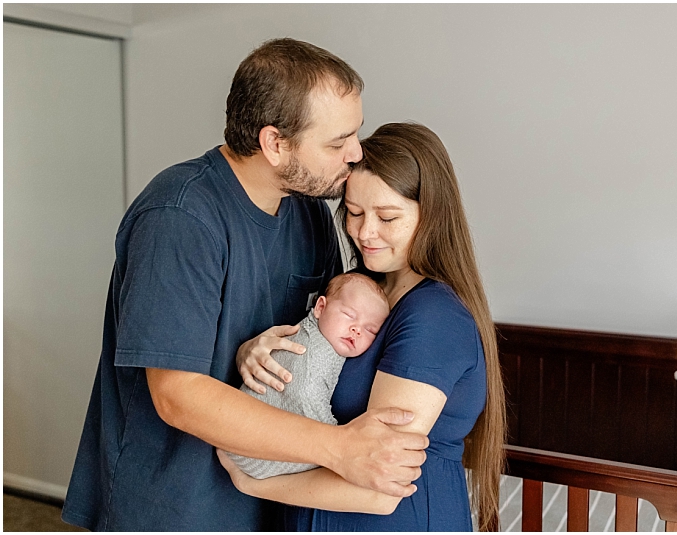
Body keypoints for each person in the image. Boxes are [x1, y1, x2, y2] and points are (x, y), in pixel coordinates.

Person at [61, 39, 427, 532]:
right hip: (174, 508)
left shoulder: (310, 211)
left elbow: (315, 334)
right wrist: (340, 447)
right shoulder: (180, 216)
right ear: (275, 143)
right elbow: (177, 394)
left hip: (270, 498)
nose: (356, 153)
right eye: (338, 142)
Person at [222, 122, 507, 531]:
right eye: (354, 213)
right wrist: (254, 351)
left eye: (387, 218)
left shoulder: (433, 318)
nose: (365, 233)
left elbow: (377, 490)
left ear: (432, 216)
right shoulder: (363, 293)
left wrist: (250, 481)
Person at [227, 272, 390, 478]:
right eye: (349, 315)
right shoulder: (314, 350)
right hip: (251, 453)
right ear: (321, 307)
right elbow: (306, 395)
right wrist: (343, 439)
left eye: (370, 329)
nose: (357, 330)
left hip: (245, 440)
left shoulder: (323, 337)